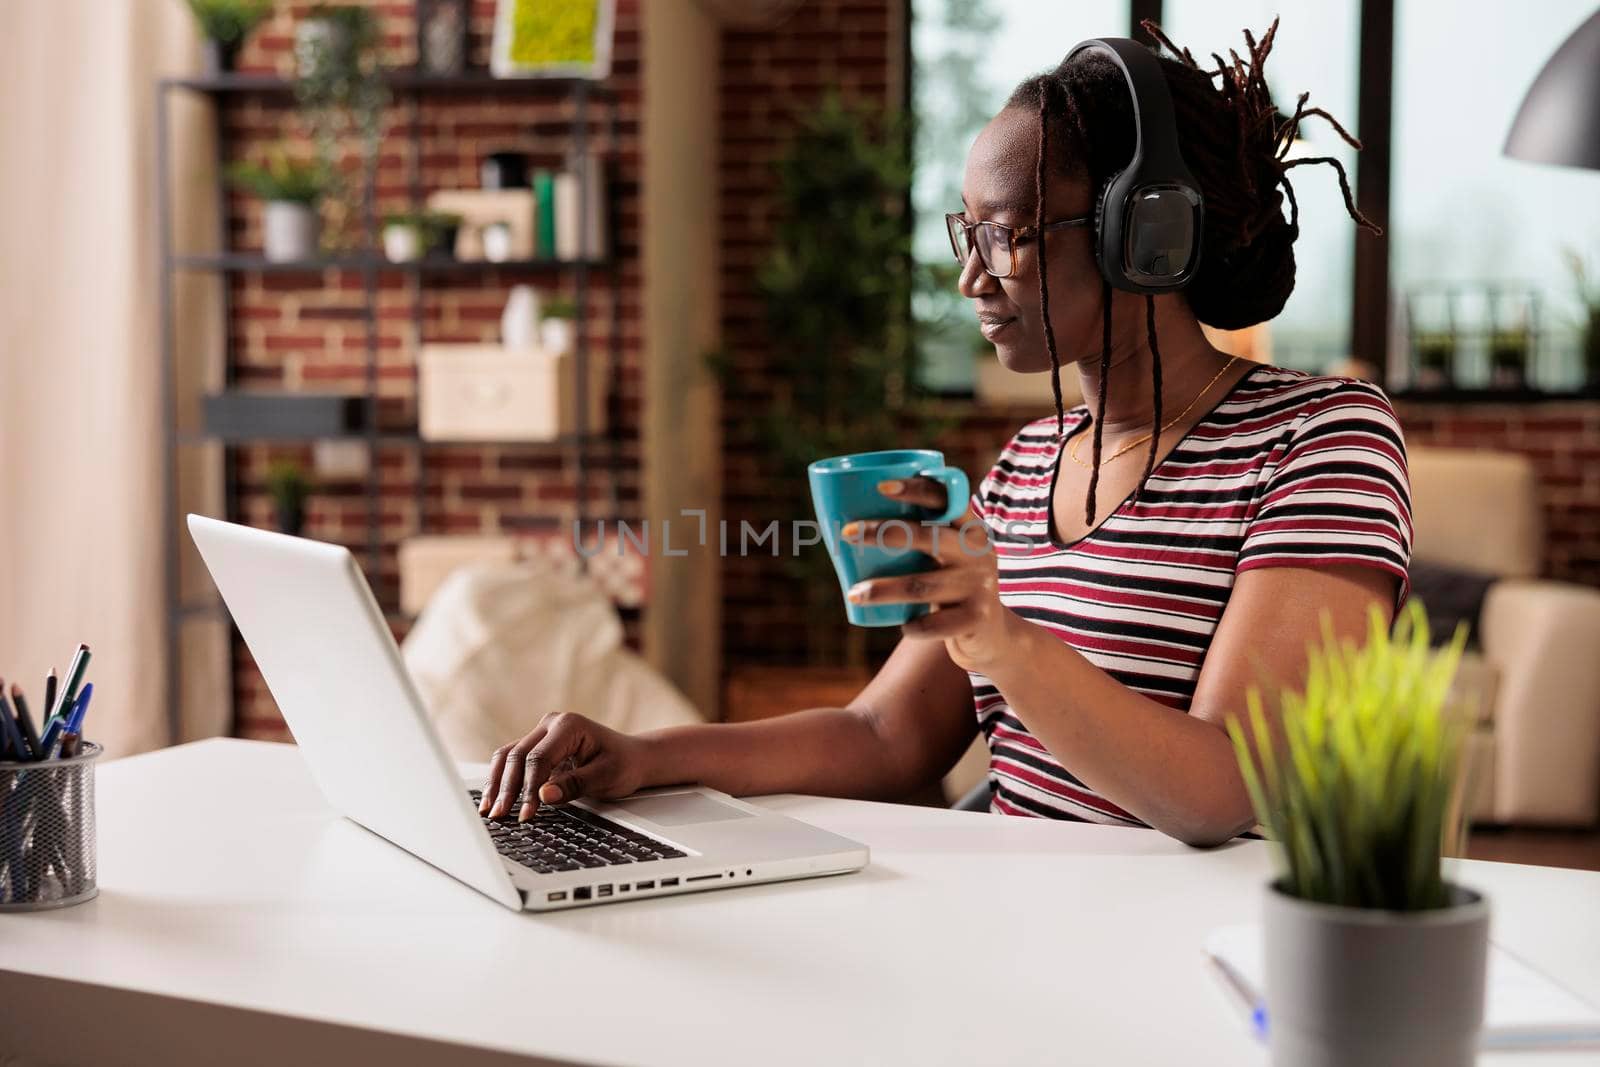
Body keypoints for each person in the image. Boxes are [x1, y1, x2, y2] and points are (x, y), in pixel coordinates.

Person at [477, 20, 1411, 847]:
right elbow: (884, 736)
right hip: (1019, 937)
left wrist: (1000, 638)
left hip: (1196, 961)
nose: (973, 278)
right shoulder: (1027, 465)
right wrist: (646, 755)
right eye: (967, 235)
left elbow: (1221, 792)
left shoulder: (1322, 440)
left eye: (1006, 236)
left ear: (1143, 232)